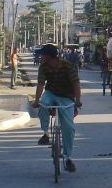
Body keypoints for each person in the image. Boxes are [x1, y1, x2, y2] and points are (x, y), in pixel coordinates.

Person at [32, 43, 82, 173]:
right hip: (51, 93)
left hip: (66, 97)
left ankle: (68, 157)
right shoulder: (43, 67)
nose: (41, 57)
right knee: (43, 103)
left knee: (69, 126)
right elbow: (41, 84)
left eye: (42, 55)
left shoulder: (66, 66)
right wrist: (36, 101)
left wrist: (78, 100)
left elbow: (76, 83)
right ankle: (46, 133)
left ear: (48, 56)